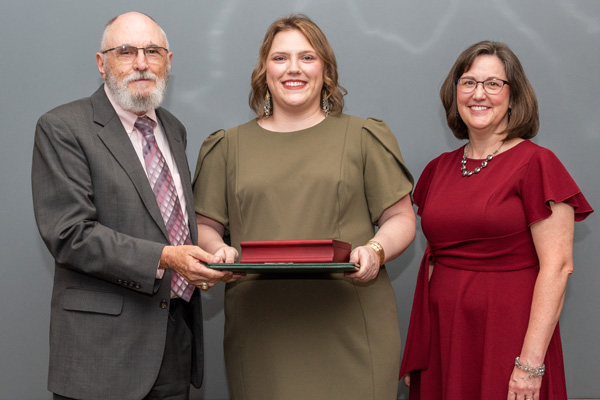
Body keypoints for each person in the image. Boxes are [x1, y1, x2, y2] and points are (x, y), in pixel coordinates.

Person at [192, 14, 416, 400]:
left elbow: (400, 218)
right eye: (280, 58)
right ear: (264, 71)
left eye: (307, 57)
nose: (293, 68)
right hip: (262, 329)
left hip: (351, 324)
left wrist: (376, 251)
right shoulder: (226, 147)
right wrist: (217, 250)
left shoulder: (363, 137)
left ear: (326, 70)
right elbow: (204, 225)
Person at [32, 12, 237, 400]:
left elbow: (172, 219)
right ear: (101, 62)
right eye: (126, 51)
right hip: (103, 354)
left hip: (175, 340)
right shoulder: (62, 127)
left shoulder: (172, 130)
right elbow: (70, 233)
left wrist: (210, 255)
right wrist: (167, 257)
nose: (141, 63)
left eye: (152, 51)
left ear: (169, 62)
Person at [399, 40, 594, 400]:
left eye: (493, 83)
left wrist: (529, 366)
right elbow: (432, 264)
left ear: (513, 96)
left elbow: (558, 267)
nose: (479, 94)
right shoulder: (437, 169)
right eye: (469, 82)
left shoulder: (538, 164)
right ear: (454, 92)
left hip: (509, 338)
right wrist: (419, 349)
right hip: (443, 339)